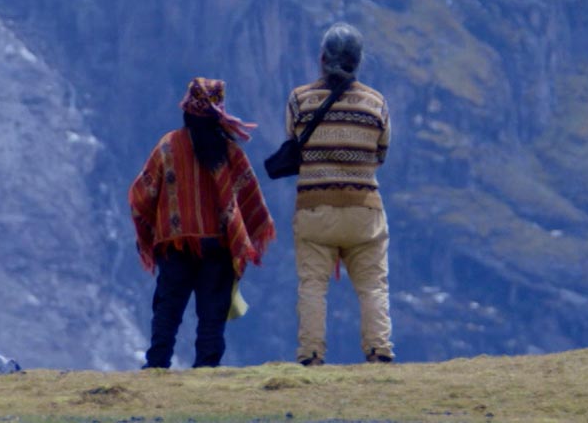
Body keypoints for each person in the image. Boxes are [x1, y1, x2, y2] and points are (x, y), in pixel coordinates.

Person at [128, 77, 276, 369]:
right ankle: (206, 369)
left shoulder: (168, 147)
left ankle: (157, 364)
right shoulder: (230, 152)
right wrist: (241, 235)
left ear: (187, 110)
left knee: (168, 309)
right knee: (212, 314)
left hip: (174, 244)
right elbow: (251, 199)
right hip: (218, 247)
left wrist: (152, 230)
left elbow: (142, 194)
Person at [286, 22, 393, 365]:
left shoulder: (300, 100)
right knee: (372, 285)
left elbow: (294, 144)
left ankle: (311, 355)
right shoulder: (376, 103)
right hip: (364, 211)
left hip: (314, 208)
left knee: (312, 286)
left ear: (322, 58)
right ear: (358, 61)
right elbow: (380, 154)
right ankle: (378, 351)